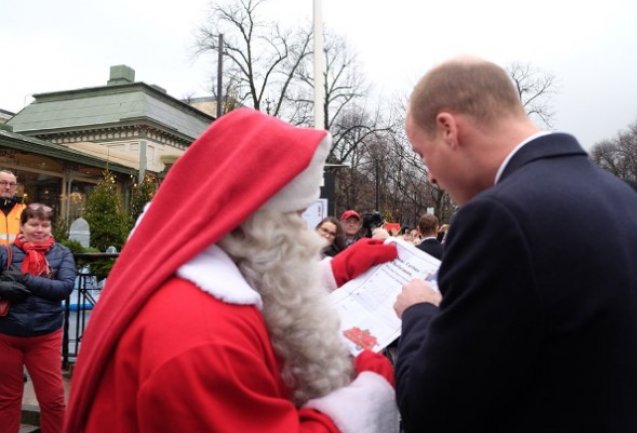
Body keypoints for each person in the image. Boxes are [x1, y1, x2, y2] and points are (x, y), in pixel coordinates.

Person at [63, 108, 399, 433]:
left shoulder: (196, 280)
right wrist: (367, 396)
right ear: (258, 219)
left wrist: (335, 271)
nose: (304, 233)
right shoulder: (204, 337)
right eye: (295, 215)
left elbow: (266, 280)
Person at [393, 56, 637, 433]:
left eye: (423, 155)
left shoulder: (500, 217)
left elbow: (433, 409)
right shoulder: (629, 201)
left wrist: (419, 312)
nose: (431, 176)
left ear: (448, 129)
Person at [0, 203, 77, 433]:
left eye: (45, 224)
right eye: (33, 224)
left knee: (53, 400)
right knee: (7, 399)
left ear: (51, 227)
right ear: (22, 226)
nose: (39, 229)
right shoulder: (6, 252)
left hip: (45, 335)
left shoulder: (62, 253)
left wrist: (25, 280)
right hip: (7, 335)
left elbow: (64, 288)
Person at [0, 169, 27, 246]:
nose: (8, 187)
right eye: (3, 183)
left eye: (12, 184)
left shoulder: (24, 210)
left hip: (18, 257)